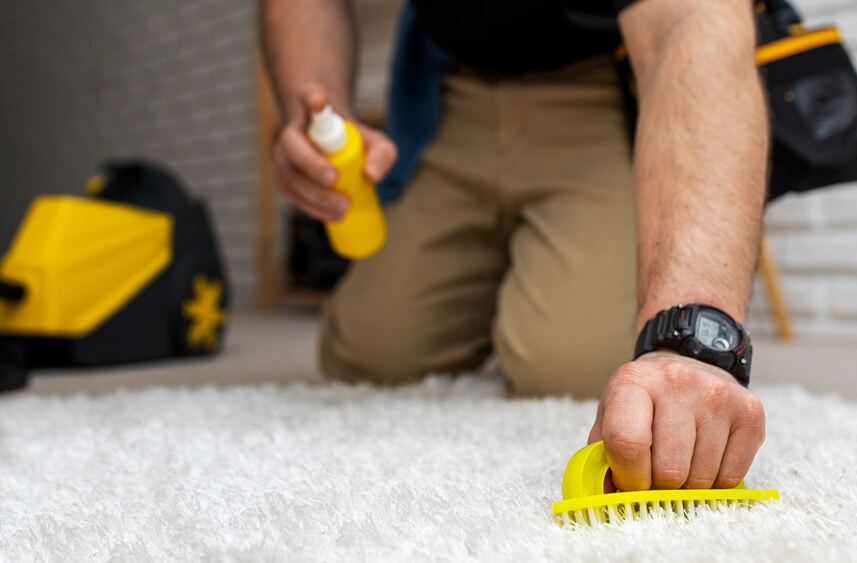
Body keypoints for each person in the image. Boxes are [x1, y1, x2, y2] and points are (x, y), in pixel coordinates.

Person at [260, 0, 768, 493]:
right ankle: (515, 272)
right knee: (367, 349)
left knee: (565, 366)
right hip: (450, 91)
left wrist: (692, 340)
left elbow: (691, 19)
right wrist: (316, 103)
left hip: (600, 84)